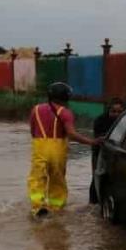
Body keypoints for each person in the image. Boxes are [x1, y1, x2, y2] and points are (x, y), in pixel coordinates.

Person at [27, 82, 99, 217]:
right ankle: (56, 208)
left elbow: (32, 130)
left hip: (39, 147)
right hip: (58, 149)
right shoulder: (65, 113)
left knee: (37, 179)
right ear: (65, 97)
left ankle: (38, 207)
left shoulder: (36, 109)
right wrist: (92, 142)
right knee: (57, 179)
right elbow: (71, 134)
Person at [90, 97, 125, 204]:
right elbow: (99, 138)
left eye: (119, 112)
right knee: (97, 178)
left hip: (118, 155)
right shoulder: (100, 120)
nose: (116, 114)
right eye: (113, 111)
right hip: (100, 153)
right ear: (108, 110)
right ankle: (93, 203)